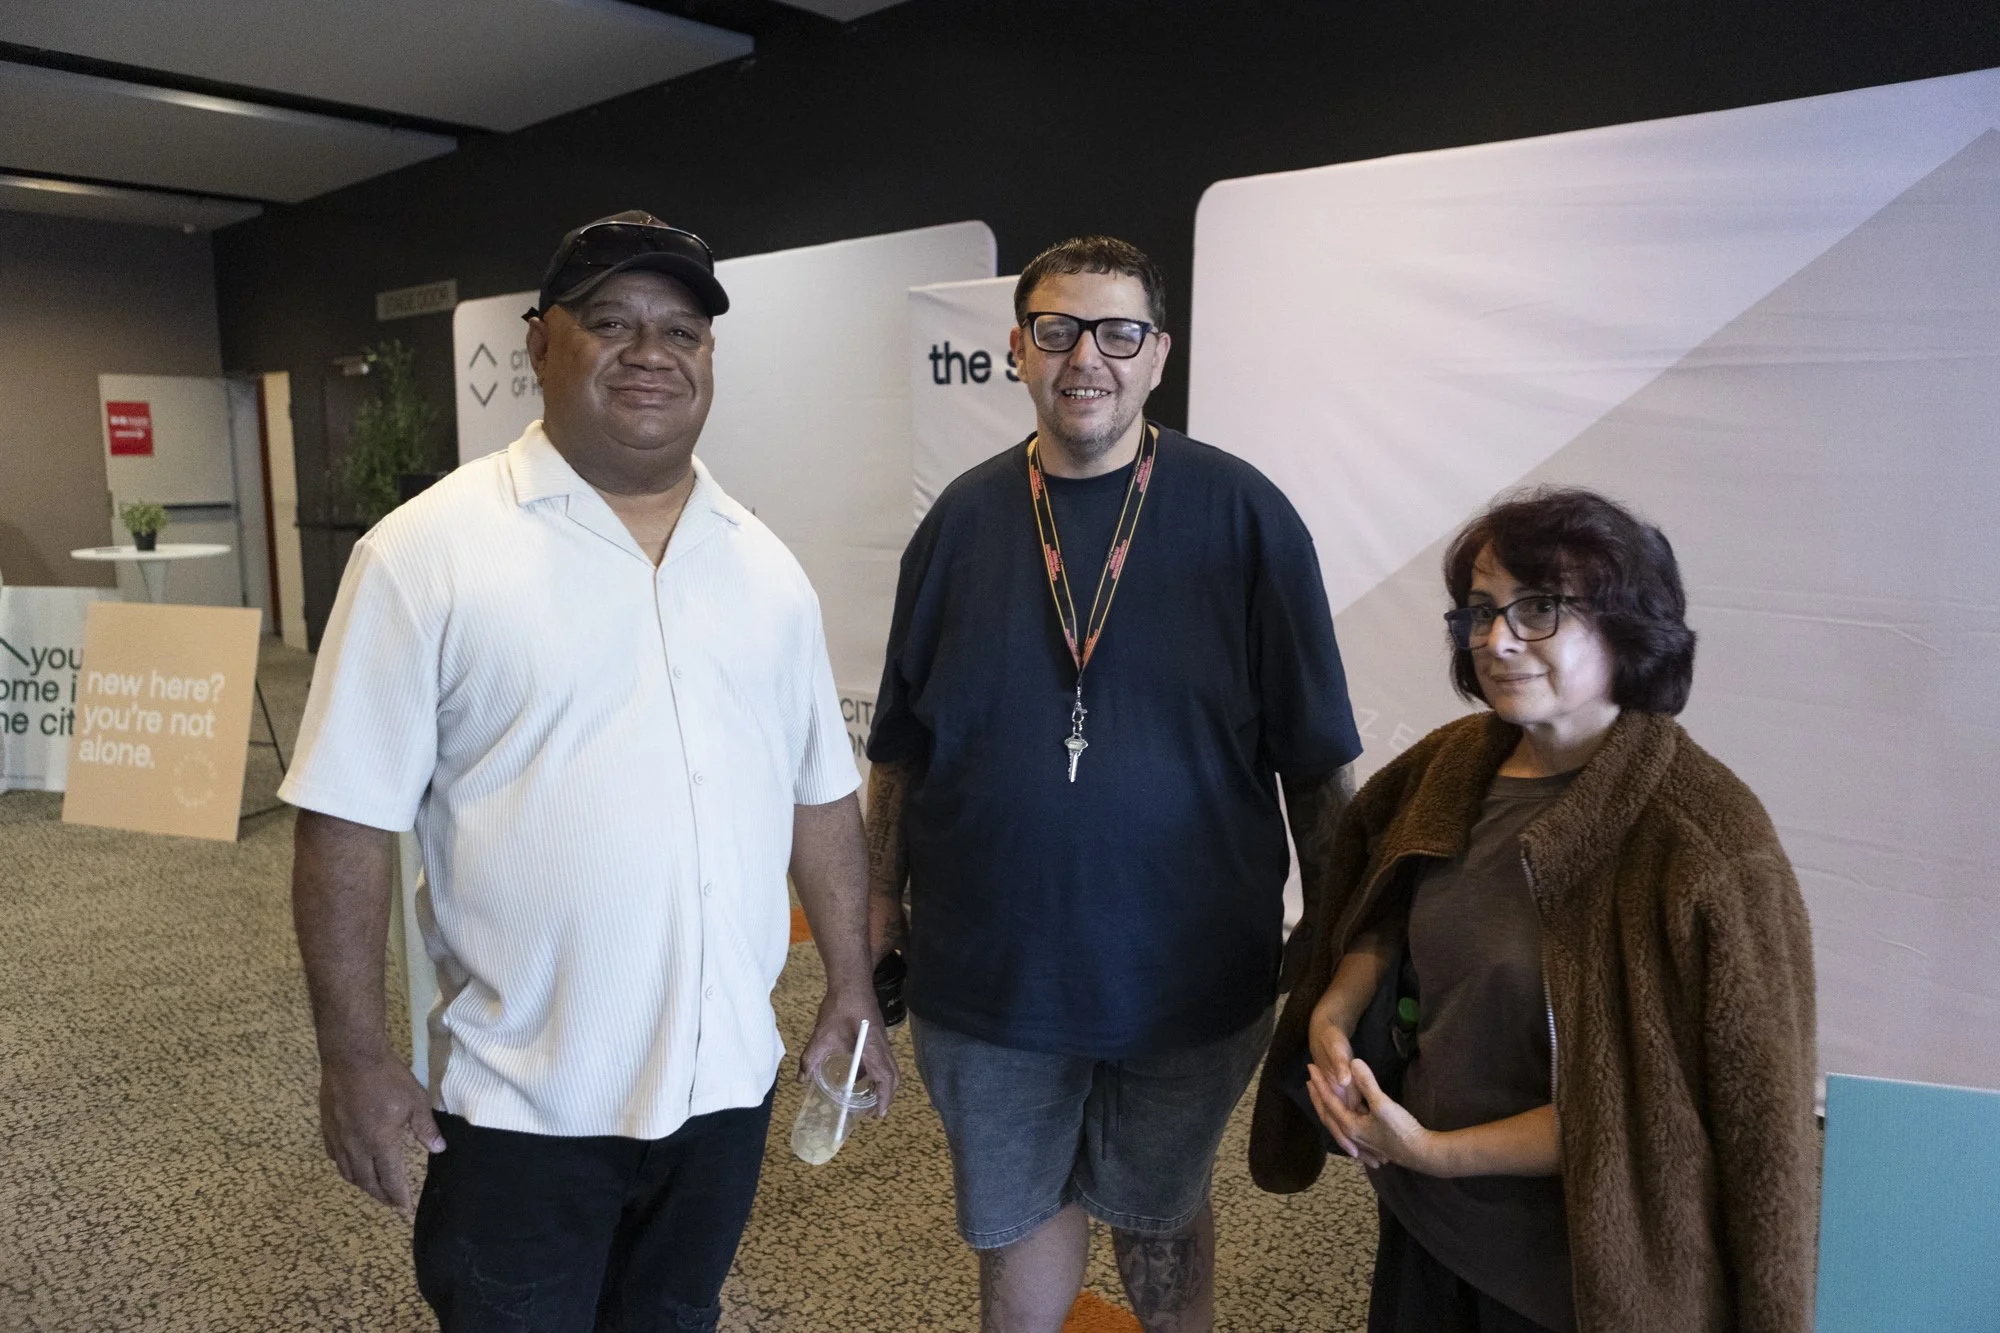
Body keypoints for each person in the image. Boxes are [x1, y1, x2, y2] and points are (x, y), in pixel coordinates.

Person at [283, 210, 897, 1333]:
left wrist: (850, 985)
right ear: (538, 344)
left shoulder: (763, 566)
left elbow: (818, 794)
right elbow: (343, 822)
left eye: (680, 329)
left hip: (723, 1092)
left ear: (710, 357)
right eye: (609, 323)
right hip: (527, 1107)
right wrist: (355, 1058)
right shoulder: (428, 553)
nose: (649, 352)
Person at [864, 235, 1363, 1333]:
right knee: (1013, 1219)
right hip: (989, 973)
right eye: (1055, 329)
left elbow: (1316, 760)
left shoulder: (1244, 518)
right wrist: (875, 903)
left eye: (1117, 332)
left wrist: (1335, 934)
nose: (1085, 356)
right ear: (1016, 348)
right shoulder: (957, 523)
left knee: (1157, 1211)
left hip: (1182, 972)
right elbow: (898, 746)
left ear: (1157, 354)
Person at [1250, 487, 1818, 1333]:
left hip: (1585, 1272)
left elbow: (1685, 1107)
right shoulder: (1449, 767)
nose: (1497, 638)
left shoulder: (1705, 842)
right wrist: (1339, 1005)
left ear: (1630, 623)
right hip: (1427, 1224)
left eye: (1540, 607)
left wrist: (1436, 1152)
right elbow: (1385, 903)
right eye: (1479, 611)